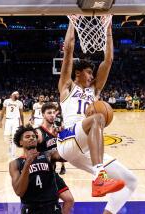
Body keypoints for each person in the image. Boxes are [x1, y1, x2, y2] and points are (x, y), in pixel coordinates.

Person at [57, 22, 137, 214]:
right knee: (97, 118)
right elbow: (68, 49)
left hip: (83, 150)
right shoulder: (67, 87)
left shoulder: (94, 91)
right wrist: (72, 22)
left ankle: (105, 202)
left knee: (131, 182)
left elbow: (108, 60)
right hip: (68, 138)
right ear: (78, 73)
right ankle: (99, 176)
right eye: (89, 72)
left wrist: (108, 29)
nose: (92, 76)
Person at [9, 125, 63, 214]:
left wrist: (63, 137)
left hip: (51, 206)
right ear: (20, 142)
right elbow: (19, 192)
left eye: (34, 136)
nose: (32, 138)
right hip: (31, 208)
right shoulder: (15, 164)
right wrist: (27, 165)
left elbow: (65, 156)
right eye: (27, 137)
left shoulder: (48, 155)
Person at [36, 102, 74, 214]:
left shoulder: (58, 131)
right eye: (49, 113)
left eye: (53, 113)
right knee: (45, 208)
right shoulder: (38, 132)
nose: (52, 115)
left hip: (52, 173)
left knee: (69, 200)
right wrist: (51, 154)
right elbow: (31, 154)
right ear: (43, 114)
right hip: (40, 175)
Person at [0, 91, 24, 158]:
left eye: (18, 94)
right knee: (7, 137)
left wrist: (22, 123)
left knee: (14, 137)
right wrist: (0, 121)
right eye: (17, 94)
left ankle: (13, 154)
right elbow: (2, 112)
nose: (18, 95)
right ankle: (10, 147)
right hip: (8, 120)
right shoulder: (6, 101)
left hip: (16, 121)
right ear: (13, 94)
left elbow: (21, 114)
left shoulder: (20, 103)